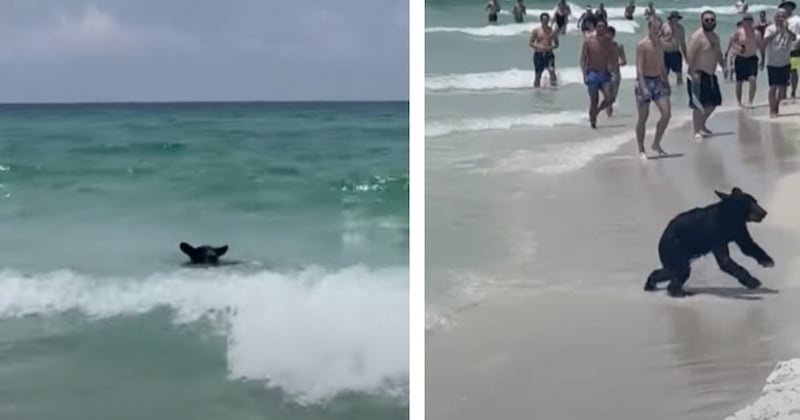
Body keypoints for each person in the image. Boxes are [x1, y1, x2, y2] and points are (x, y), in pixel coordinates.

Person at [635, 16, 672, 159]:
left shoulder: (661, 44)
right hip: (644, 81)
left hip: (658, 81)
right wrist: (643, 87)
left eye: (659, 28)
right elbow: (639, 68)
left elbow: (662, 65)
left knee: (667, 114)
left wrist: (666, 82)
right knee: (643, 117)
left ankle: (656, 143)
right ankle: (641, 149)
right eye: (654, 28)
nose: (656, 31)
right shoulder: (642, 45)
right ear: (649, 28)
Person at [686, 10, 726, 139]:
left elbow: (719, 54)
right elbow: (690, 56)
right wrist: (692, 73)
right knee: (698, 105)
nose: (709, 22)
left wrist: (724, 66)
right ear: (702, 21)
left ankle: (702, 125)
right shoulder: (697, 36)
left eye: (712, 20)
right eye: (707, 20)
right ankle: (696, 130)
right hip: (698, 74)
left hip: (711, 74)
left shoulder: (715, 36)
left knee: (713, 103)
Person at [580, 19, 617, 128]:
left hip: (605, 73)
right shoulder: (588, 41)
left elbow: (613, 57)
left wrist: (614, 71)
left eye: (603, 26)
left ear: (606, 28)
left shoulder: (608, 42)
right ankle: (593, 122)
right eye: (599, 26)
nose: (601, 28)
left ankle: (597, 111)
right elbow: (582, 59)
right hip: (592, 74)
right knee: (594, 100)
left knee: (610, 98)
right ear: (596, 28)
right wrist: (584, 75)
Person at [762, 7, 797, 116]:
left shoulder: (788, 28)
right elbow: (765, 42)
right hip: (773, 63)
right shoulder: (770, 28)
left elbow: (794, 38)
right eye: (779, 16)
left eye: (783, 16)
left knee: (783, 90)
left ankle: (776, 106)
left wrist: (786, 30)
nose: (781, 18)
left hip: (785, 62)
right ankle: (772, 110)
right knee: (773, 87)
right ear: (775, 17)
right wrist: (776, 32)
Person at [730, 14, 762, 106]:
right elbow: (732, 42)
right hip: (740, 59)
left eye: (749, 20)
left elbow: (761, 46)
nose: (748, 22)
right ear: (743, 22)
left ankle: (750, 101)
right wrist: (737, 48)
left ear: (752, 22)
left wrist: (763, 58)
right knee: (739, 82)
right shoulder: (738, 32)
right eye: (746, 20)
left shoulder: (757, 33)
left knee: (753, 79)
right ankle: (739, 102)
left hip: (752, 58)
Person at [530, 13, 560, 87]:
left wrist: (551, 47)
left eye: (546, 20)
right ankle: (536, 91)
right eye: (543, 20)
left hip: (549, 54)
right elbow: (531, 43)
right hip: (539, 55)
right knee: (538, 75)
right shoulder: (536, 30)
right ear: (540, 20)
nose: (545, 21)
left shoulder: (552, 31)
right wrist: (539, 47)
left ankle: (554, 89)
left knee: (552, 71)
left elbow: (557, 44)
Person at [780, 1, 800, 99]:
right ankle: (783, 92)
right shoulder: (780, 20)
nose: (786, 9)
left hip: (794, 48)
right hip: (782, 49)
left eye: (788, 7)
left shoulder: (797, 19)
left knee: (793, 70)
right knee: (783, 70)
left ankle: (793, 91)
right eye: (784, 7)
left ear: (792, 8)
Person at [662, 11, 688, 85]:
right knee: (664, 76)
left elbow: (683, 43)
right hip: (665, 53)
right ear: (671, 18)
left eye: (677, 18)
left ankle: (679, 92)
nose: (675, 20)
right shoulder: (664, 26)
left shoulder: (680, 28)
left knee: (679, 75)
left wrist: (686, 57)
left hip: (676, 53)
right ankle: (665, 91)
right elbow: (658, 39)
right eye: (674, 18)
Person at [607, 26, 628, 116]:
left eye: (610, 34)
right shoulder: (601, 47)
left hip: (615, 73)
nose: (608, 36)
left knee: (612, 98)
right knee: (608, 97)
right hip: (605, 73)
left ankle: (608, 115)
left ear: (614, 35)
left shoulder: (618, 46)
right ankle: (608, 116)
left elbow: (624, 61)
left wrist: (617, 64)